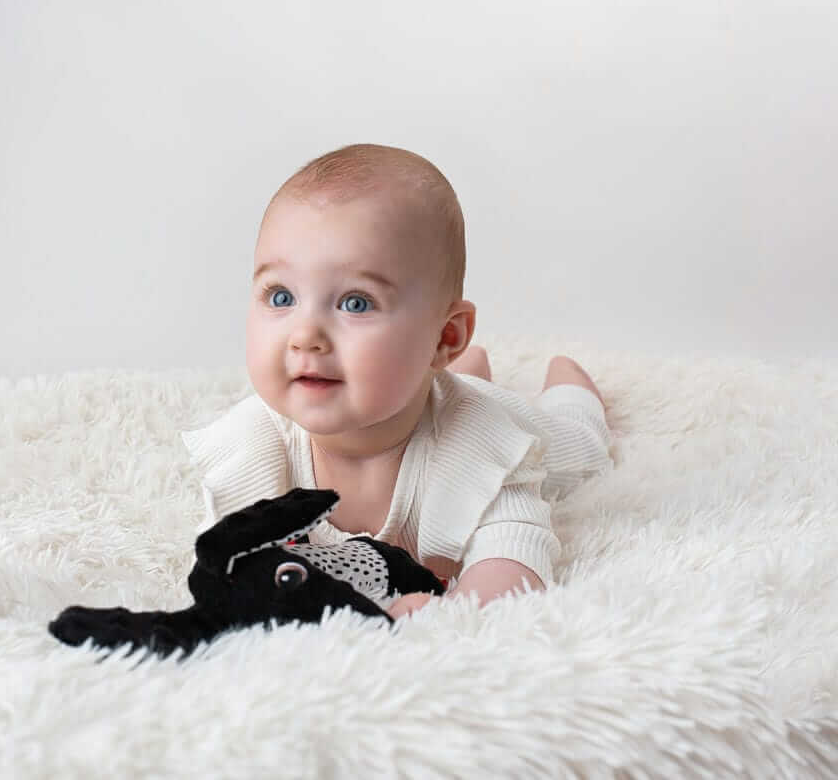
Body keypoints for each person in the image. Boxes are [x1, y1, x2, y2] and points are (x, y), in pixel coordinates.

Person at [181, 143, 612, 618]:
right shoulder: (256, 445)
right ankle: (461, 371)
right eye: (281, 296)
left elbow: (514, 558)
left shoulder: (482, 449)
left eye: (356, 303)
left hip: (485, 417)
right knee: (425, 386)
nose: (305, 337)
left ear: (445, 337)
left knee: (581, 450)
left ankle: (571, 385)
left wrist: (447, 617)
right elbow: (230, 564)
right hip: (420, 385)